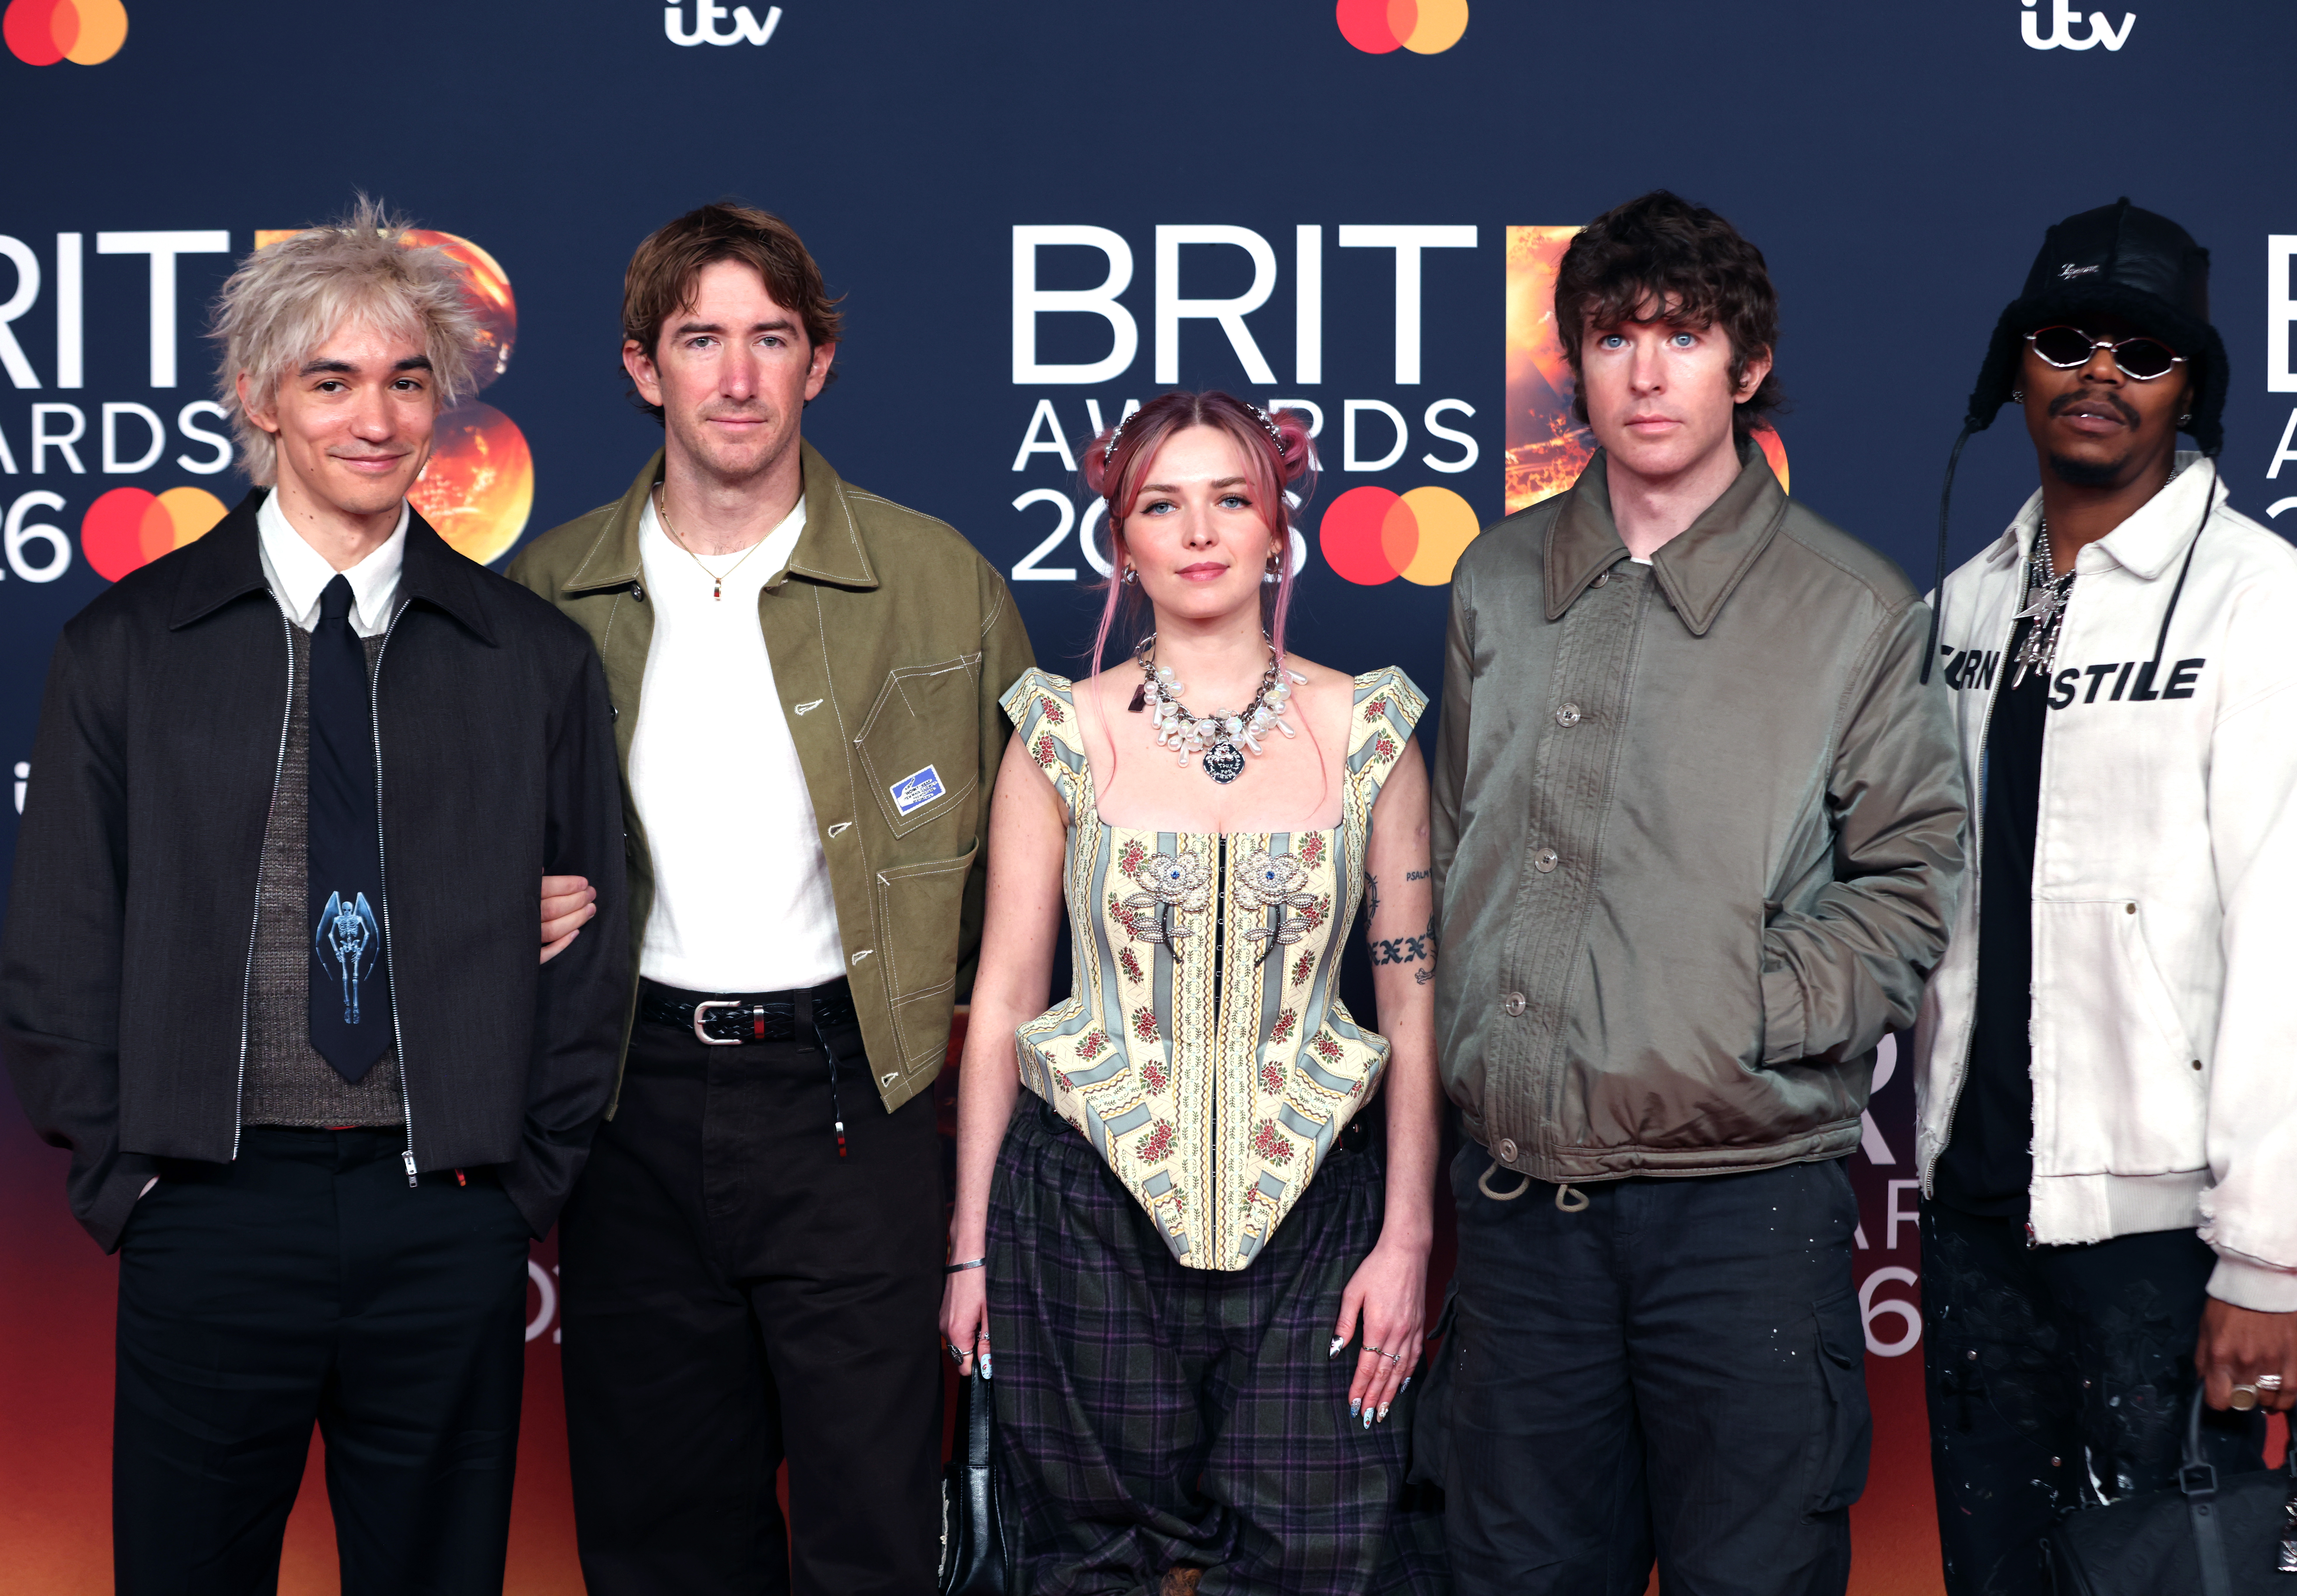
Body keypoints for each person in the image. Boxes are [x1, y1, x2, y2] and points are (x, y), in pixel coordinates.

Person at [0, 201, 629, 1595]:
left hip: (442, 1214)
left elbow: (596, 946)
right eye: (331, 380)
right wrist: (133, 1182)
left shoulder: (528, 658)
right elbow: (58, 949)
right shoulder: (128, 648)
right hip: (208, 1208)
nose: (376, 418)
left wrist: (516, 1184)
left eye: (406, 380)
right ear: (258, 399)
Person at [1423, 190, 1969, 1594]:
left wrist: (1737, 1011)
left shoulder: (1850, 607)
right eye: (1613, 338)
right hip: (1520, 1208)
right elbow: (1450, 840)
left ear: (1747, 361)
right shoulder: (1492, 580)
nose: (1646, 373)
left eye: (1681, 335)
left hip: (1741, 1213)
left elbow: (1911, 880)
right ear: (1574, 367)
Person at [508, 202, 1036, 1596]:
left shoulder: (942, 584)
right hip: (629, 1104)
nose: (737, 377)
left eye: (771, 338)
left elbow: (1033, 885)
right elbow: (460, 855)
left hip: (856, 1098)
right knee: (664, 1536)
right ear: (643, 368)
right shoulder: (545, 593)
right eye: (700, 340)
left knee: (872, 1535)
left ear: (820, 360)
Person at [1913, 198, 2297, 1595]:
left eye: (2144, 351)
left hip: (2166, 1242)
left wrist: (2262, 1259)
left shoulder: (2268, 612)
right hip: (1975, 1213)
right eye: (2065, 341)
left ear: (2192, 389)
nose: (2100, 374)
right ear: (2013, 369)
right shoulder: (1958, 609)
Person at [940, 391, 1447, 1594]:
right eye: (1163, 505)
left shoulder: (1371, 728)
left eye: (1232, 498)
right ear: (1121, 536)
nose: (1202, 531)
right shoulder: (1057, 731)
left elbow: (1412, 1004)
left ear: (1279, 525)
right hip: (1080, 1214)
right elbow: (1003, 999)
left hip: (1318, 1216)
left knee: (1319, 1561)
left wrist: (1408, 1237)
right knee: (1088, 1569)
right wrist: (970, 1251)